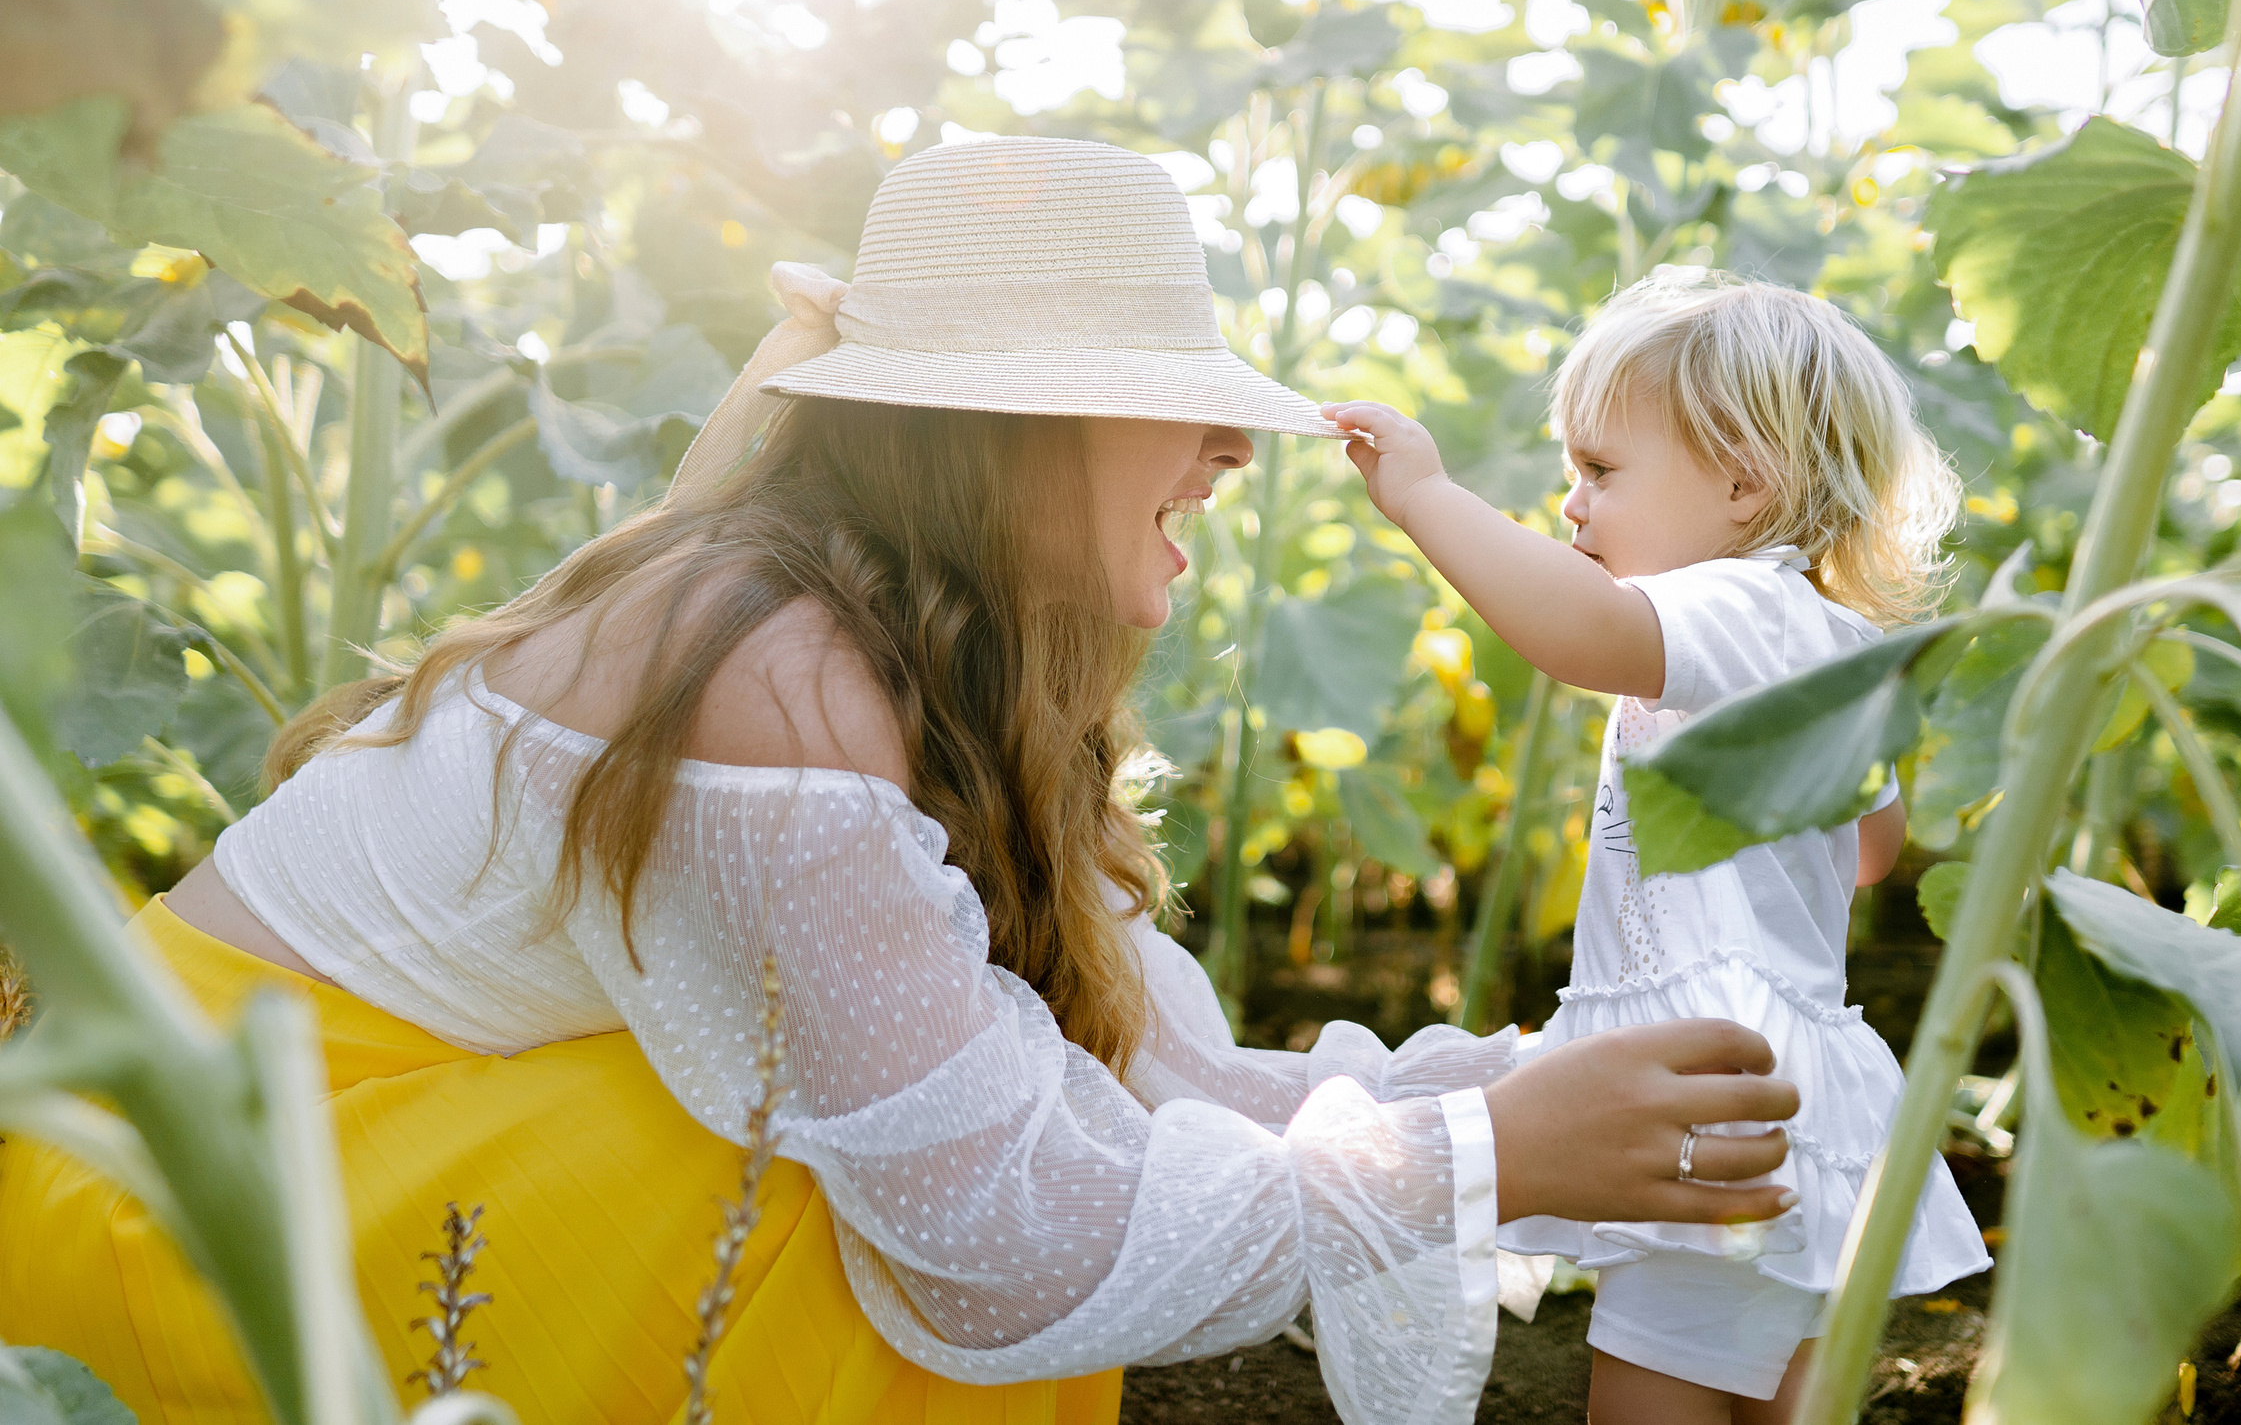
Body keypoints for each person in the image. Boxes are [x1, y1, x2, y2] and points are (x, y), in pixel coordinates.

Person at [0, 140, 1804, 1425]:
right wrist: (1484, 1153)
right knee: (831, 1212)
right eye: (1169, 407)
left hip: (318, 1171)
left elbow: (1128, 1078)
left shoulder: (874, 643)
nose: (1217, 459)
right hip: (177, 1214)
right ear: (1009, 431)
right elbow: (999, 1236)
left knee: (895, 1126)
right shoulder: (764, 672)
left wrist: (1523, 1108)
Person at [1324, 272, 1991, 1425]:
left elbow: (1579, 634)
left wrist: (1426, 496)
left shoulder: (1744, 607)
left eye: (1599, 471)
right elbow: (1872, 851)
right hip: (1780, 1074)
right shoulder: (1820, 641)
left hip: (1704, 1091)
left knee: (1650, 1396)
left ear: (1744, 482)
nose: (1571, 503)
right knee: (1783, 1392)